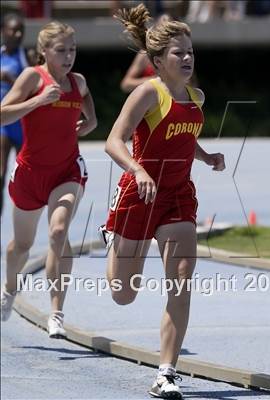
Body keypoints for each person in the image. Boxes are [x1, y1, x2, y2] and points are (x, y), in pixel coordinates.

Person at [99, 4, 225, 398]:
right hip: (139, 195)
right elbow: (113, 141)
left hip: (176, 198)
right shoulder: (146, 93)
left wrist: (205, 157)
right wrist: (137, 170)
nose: (187, 58)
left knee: (182, 279)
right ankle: (111, 236)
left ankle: (166, 372)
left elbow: (185, 138)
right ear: (157, 60)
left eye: (190, 52)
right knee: (123, 293)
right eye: (178, 53)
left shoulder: (195, 96)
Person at [0, 21, 97, 338]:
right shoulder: (32, 77)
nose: (69, 56)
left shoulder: (77, 81)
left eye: (73, 50)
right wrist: (37, 101)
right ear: (44, 51)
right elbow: (3, 114)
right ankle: (9, 287)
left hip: (67, 171)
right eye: (61, 50)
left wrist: (88, 123)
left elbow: (90, 115)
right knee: (21, 247)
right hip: (30, 173)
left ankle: (56, 311)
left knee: (58, 231)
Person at [0, 13, 36, 215]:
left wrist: (13, 80)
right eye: (13, 29)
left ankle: (25, 220)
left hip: (23, 124)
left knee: (27, 177)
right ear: (3, 31)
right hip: (3, 124)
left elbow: (36, 87)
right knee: (0, 174)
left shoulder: (27, 56)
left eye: (20, 29)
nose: (17, 33)